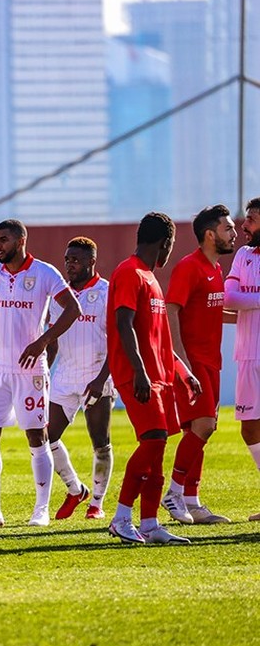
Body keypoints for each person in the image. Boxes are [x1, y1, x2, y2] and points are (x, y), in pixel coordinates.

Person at [0, 219, 81, 529]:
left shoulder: (44, 273)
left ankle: (41, 510)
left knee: (37, 436)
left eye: (4, 239)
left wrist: (43, 341)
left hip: (29, 370)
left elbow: (73, 309)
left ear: (21, 240)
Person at [106, 212, 200, 545]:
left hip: (160, 378)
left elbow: (158, 339)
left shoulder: (150, 277)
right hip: (138, 376)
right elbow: (123, 324)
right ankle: (121, 517)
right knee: (154, 439)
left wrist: (181, 371)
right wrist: (140, 372)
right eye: (170, 247)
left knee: (158, 448)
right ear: (165, 243)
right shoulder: (130, 272)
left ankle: (149, 523)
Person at [162, 205, 237, 524]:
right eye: (228, 228)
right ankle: (174, 493)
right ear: (210, 234)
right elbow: (172, 309)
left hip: (211, 361)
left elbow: (209, 310)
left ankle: (191, 501)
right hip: (193, 363)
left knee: (201, 430)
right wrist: (182, 361)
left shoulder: (215, 269)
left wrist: (248, 316)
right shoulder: (190, 267)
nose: (234, 233)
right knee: (204, 426)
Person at [45, 237, 115, 520]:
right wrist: (43, 374)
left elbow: (119, 340)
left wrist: (101, 378)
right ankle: (76, 489)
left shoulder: (107, 292)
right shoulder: (59, 296)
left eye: (75, 260)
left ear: (91, 262)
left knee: (100, 441)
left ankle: (97, 502)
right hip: (65, 376)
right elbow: (53, 341)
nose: (69, 265)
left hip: (96, 374)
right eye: (67, 260)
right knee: (45, 437)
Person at [223, 197, 260, 520]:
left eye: (251, 219)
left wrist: (249, 300)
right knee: (250, 429)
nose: (244, 225)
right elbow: (230, 297)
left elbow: (239, 299)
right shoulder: (243, 255)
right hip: (248, 355)